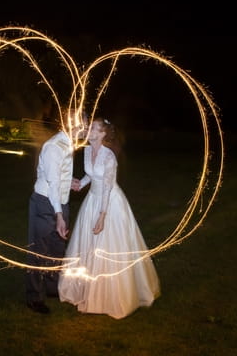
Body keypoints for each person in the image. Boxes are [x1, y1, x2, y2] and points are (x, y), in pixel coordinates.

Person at [58, 117, 160, 319]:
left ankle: (111, 296)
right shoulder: (87, 150)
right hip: (92, 199)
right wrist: (81, 183)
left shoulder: (109, 157)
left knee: (107, 245)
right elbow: (92, 175)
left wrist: (102, 216)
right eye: (91, 128)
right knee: (87, 244)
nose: (90, 131)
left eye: (94, 128)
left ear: (103, 134)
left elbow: (106, 186)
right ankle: (84, 290)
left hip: (109, 203)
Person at [25, 108, 87, 314]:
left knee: (57, 250)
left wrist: (69, 181)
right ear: (71, 125)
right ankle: (34, 297)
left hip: (60, 202)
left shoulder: (68, 145)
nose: (85, 130)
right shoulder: (54, 147)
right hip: (45, 204)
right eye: (83, 125)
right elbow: (51, 184)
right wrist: (59, 216)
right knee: (38, 252)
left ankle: (52, 289)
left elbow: (56, 176)